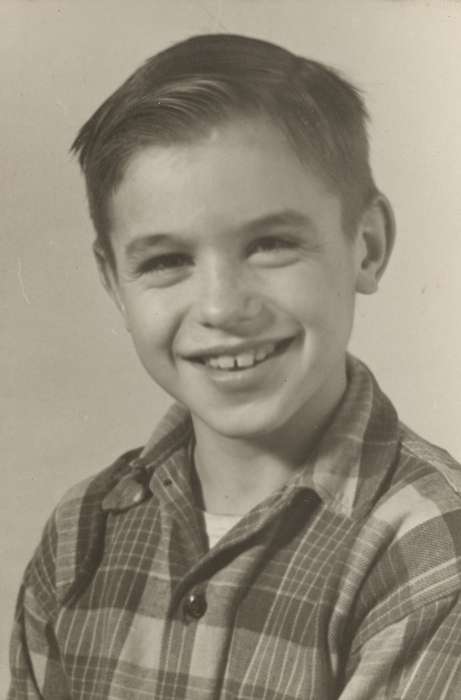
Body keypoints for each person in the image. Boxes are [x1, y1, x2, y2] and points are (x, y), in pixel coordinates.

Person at [8, 33, 461, 700]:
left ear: (365, 246)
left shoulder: (430, 555)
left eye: (271, 244)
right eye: (166, 261)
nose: (221, 307)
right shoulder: (81, 533)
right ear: (113, 282)